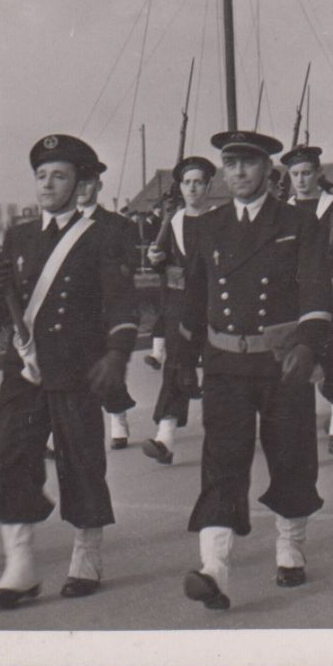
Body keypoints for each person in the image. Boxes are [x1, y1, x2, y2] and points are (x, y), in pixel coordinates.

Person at [175, 129, 331, 610]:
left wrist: (309, 343)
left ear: (268, 169)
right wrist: (181, 360)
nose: (237, 172)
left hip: (281, 361)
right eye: (230, 163)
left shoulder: (297, 223)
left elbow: (316, 288)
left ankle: (289, 544)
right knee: (222, 462)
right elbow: (194, 298)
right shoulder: (209, 225)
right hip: (224, 363)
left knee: (290, 454)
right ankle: (215, 569)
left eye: (247, 163)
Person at [0, 134, 138, 608]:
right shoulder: (20, 234)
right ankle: (21, 566)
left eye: (60, 176)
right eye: (41, 175)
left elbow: (120, 299)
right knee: (7, 457)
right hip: (25, 367)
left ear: (80, 183)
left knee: (82, 462)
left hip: (77, 367)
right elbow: (0, 311)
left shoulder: (106, 234)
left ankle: (87, 554)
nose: (48, 184)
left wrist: (118, 353)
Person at [281, 145, 333, 454]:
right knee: (298, 354)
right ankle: (303, 421)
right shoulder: (283, 209)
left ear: (318, 175)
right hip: (294, 294)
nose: (300, 180)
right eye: (295, 174)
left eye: (306, 173)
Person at [141, 156, 217, 464]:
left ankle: (224, 433)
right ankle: (165, 438)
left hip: (214, 306)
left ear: (209, 186)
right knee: (175, 367)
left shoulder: (221, 220)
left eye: (198, 182)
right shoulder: (171, 222)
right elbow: (166, 265)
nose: (192, 188)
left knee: (217, 369)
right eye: (187, 182)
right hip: (180, 306)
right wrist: (157, 258)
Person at [75, 168, 140, 450]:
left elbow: (129, 265)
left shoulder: (118, 225)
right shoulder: (60, 224)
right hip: (71, 310)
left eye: (87, 182)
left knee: (107, 368)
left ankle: (118, 419)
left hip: (104, 308)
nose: (81, 188)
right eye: (76, 182)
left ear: (98, 185)